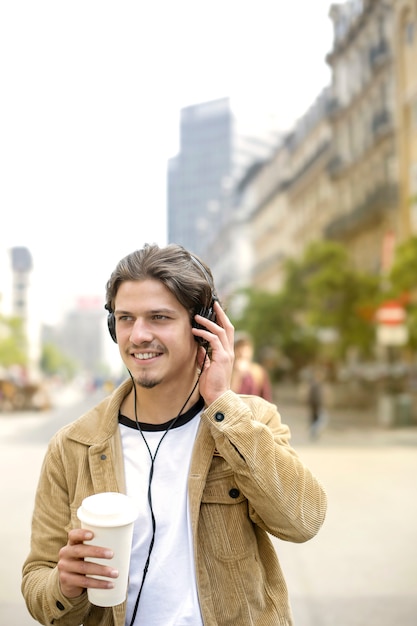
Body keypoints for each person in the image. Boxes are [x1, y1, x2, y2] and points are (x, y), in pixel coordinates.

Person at [22, 243, 327, 626]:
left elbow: (303, 521)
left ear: (203, 327)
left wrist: (221, 401)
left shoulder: (250, 422)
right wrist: (62, 586)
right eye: (126, 318)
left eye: (159, 317)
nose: (138, 335)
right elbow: (37, 579)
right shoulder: (72, 447)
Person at [231, 331, 273, 401]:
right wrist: (237, 375)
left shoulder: (258, 371)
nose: (242, 351)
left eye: (245, 347)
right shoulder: (228, 371)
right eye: (239, 347)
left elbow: (266, 399)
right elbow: (226, 398)